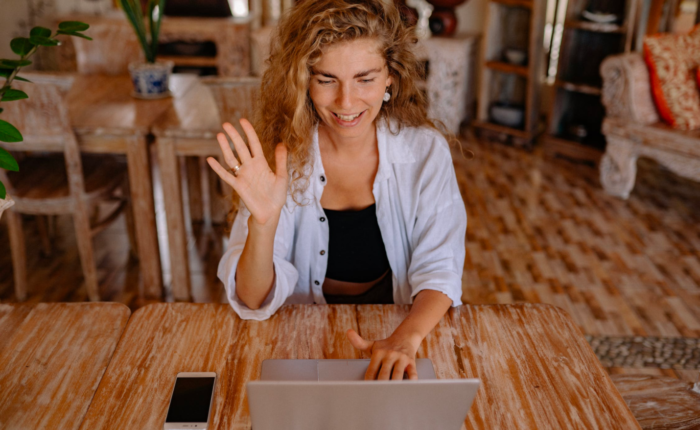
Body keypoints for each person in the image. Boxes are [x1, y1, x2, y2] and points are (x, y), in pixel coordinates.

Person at [207, 0, 467, 381]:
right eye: (327, 79)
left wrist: (404, 339)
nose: (347, 102)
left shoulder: (425, 152)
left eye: (365, 78)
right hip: (297, 340)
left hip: (401, 330)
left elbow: (440, 270)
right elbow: (250, 297)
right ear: (304, 81)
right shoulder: (282, 158)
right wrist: (263, 223)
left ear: (390, 77)